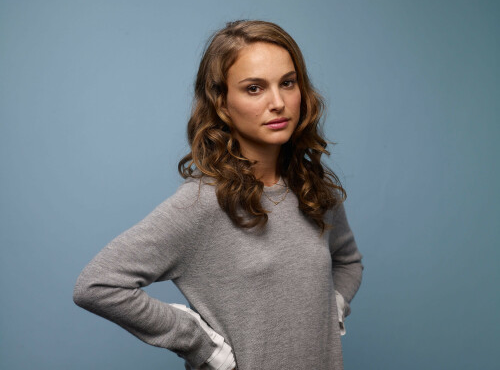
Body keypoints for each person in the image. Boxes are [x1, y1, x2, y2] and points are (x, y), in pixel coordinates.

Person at [73, 20, 363, 370]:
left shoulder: (314, 189)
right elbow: (97, 284)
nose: (278, 102)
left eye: (287, 83)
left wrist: (330, 305)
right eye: (254, 88)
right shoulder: (203, 203)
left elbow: (347, 261)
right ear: (222, 103)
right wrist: (195, 340)